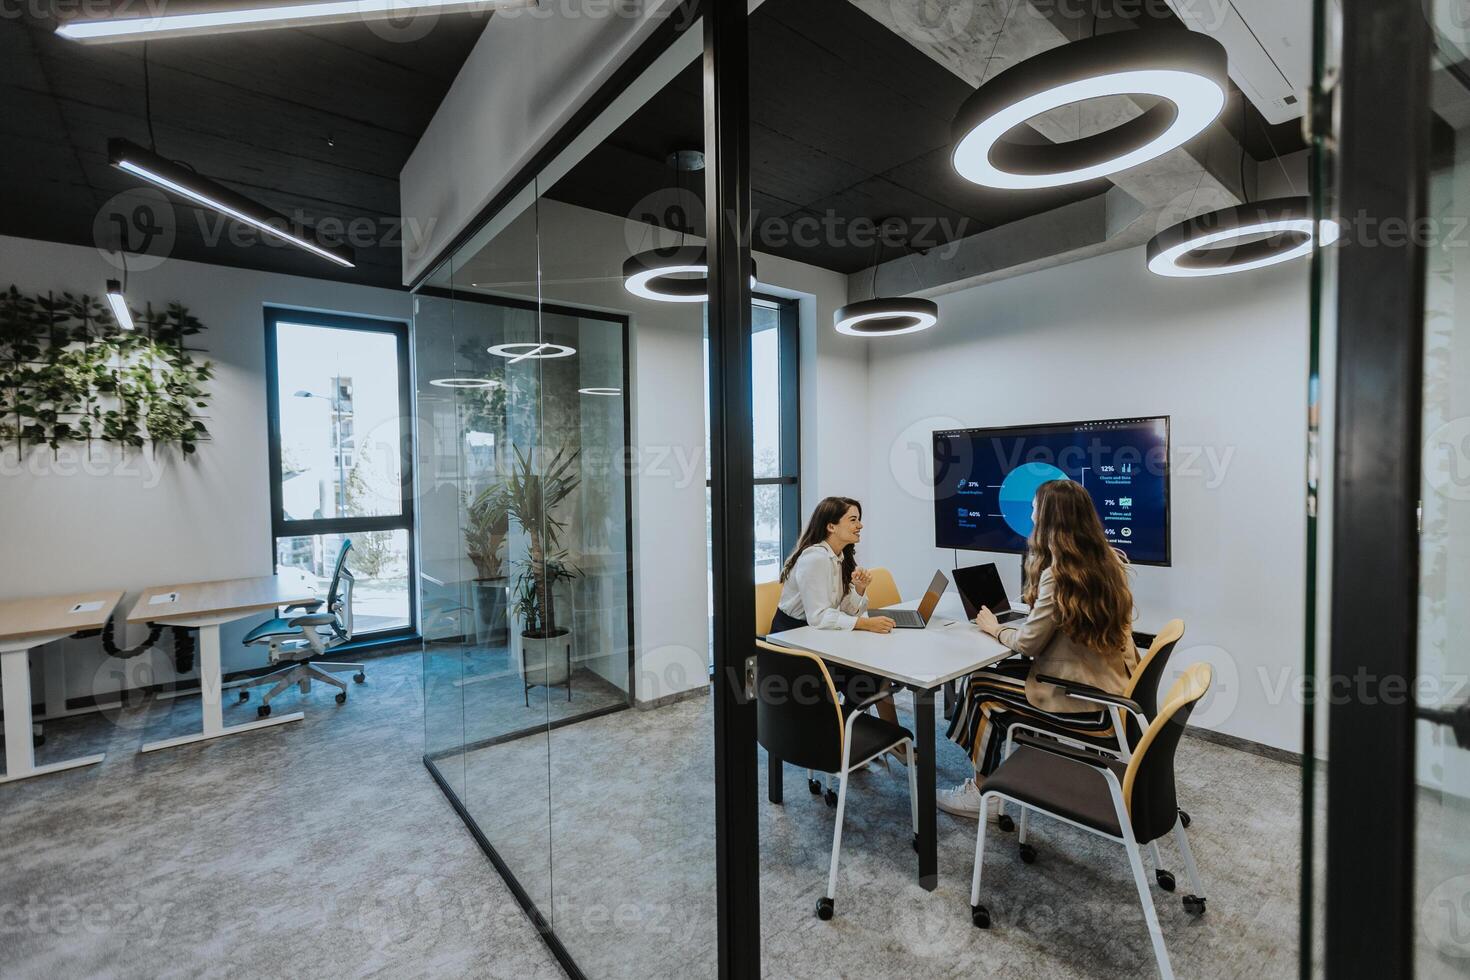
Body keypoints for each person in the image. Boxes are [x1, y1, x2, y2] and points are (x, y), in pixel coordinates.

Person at [937, 479, 1140, 818]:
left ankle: (983, 793)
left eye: (1034, 509)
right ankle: (1024, 757)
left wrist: (996, 628)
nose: (1030, 517)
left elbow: (1028, 644)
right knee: (1001, 672)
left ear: (1050, 519)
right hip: (1114, 690)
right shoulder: (1108, 561)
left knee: (980, 686)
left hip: (1089, 705)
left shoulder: (1059, 574)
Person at [771, 496, 901, 726]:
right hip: (793, 644)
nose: (859, 525)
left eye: (859, 520)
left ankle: (848, 731)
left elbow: (843, 610)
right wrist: (864, 623)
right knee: (870, 676)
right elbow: (819, 616)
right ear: (831, 526)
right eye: (853, 520)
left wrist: (859, 589)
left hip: (817, 636)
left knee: (874, 674)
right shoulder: (815, 558)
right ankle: (844, 732)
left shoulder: (840, 556)